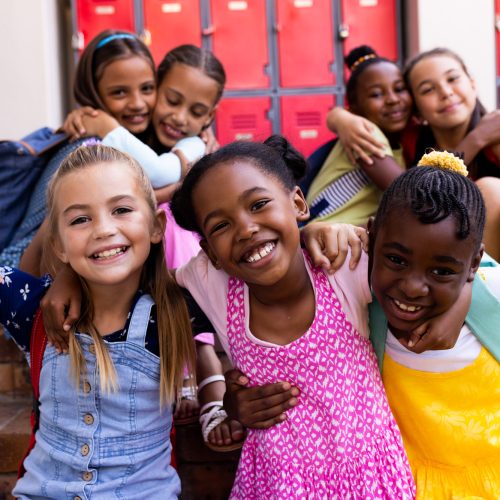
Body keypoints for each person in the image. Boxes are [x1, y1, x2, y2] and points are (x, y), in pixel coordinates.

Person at [226, 151, 500, 499]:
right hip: (405, 483)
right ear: (370, 237)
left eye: (442, 271)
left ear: (473, 264)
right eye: (396, 260)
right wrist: (236, 402)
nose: (413, 287)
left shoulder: (490, 299)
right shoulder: (357, 300)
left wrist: (465, 292)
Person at [170, 135, 416, 498]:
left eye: (259, 204)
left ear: (299, 202)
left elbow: (426, 261)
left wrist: (322, 231)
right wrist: (230, 404)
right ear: (209, 251)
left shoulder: (340, 265)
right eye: (220, 225)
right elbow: (134, 265)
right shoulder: (214, 285)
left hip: (369, 482)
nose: (246, 228)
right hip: (275, 486)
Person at [0, 144, 196, 498]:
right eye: (80, 219)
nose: (104, 229)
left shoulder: (179, 308)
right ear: (57, 243)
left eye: (121, 209)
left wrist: (310, 234)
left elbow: (255, 265)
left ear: (156, 226)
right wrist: (65, 270)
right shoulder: (36, 310)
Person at [328, 47, 500, 260]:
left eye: (453, 79)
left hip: (483, 271)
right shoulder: (411, 140)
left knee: (490, 190)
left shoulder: (496, 136)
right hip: (429, 261)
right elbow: (418, 194)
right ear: (415, 105)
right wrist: (340, 119)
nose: (446, 92)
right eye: (428, 90)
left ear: (472, 82)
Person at [304, 45, 411, 226]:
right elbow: (411, 195)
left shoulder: (398, 145)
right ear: (353, 107)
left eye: (399, 89)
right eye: (376, 94)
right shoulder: (366, 133)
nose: (393, 99)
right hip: (323, 241)